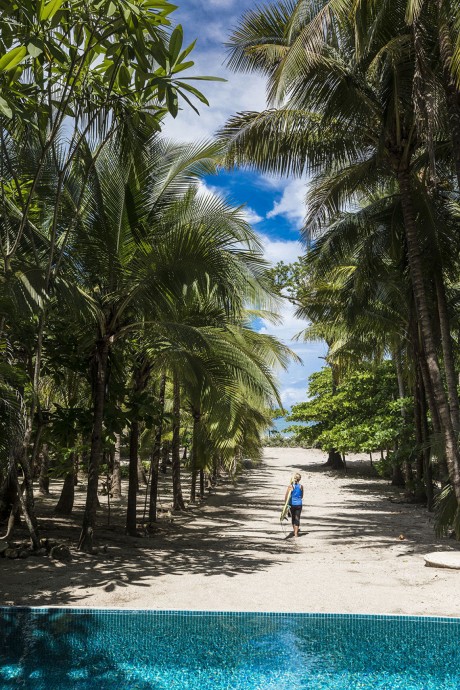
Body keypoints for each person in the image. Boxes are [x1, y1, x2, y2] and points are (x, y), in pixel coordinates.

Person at [285, 472, 303, 537]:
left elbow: (286, 496)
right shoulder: (301, 486)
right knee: (297, 518)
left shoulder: (290, 486)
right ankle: (296, 533)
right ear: (300, 479)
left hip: (292, 504)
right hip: (299, 504)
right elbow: (302, 496)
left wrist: (286, 505)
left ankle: (294, 531)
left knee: (293, 518)